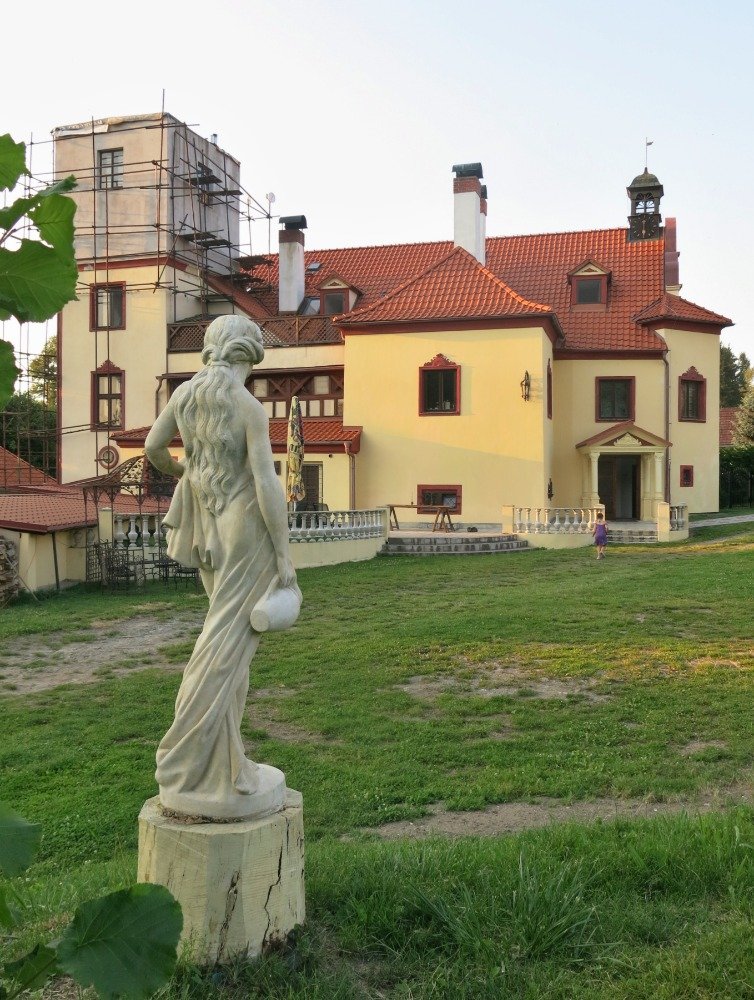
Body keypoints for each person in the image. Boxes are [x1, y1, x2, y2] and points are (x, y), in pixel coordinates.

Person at [145, 315, 298, 818]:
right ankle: (186, 758)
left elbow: (153, 449)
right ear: (247, 357)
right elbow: (266, 482)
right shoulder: (248, 406)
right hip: (244, 526)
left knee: (224, 642)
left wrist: (183, 470)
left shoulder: (185, 395)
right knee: (227, 647)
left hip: (206, 524)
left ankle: (225, 761)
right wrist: (284, 554)